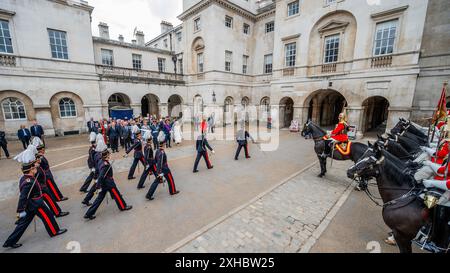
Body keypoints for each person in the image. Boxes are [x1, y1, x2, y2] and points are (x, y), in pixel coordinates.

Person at [3, 146, 67, 249]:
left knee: (23, 224)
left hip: (31, 204)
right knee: (48, 216)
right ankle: (54, 231)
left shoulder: (26, 178)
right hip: (36, 204)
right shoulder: (29, 182)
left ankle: (10, 241)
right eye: (34, 168)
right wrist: (20, 210)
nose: (35, 168)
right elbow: (23, 197)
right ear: (30, 170)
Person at [84, 149, 132, 220]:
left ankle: (89, 213)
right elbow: (101, 176)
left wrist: (95, 178)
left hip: (104, 183)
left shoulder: (100, 161)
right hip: (108, 183)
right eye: (109, 154)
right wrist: (97, 186)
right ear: (107, 156)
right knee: (117, 195)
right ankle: (123, 206)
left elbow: (97, 170)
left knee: (99, 199)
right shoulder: (105, 165)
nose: (110, 155)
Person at [35, 138, 68, 202]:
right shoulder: (39, 157)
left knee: (53, 186)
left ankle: (58, 196)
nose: (44, 150)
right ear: (41, 150)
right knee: (52, 187)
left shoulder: (40, 156)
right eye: (43, 149)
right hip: (46, 174)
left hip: (47, 172)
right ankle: (58, 198)